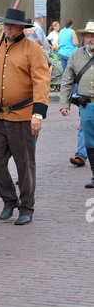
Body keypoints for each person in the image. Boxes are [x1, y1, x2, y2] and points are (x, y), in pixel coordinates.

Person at [0, 8, 50, 225]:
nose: (8, 28)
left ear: (22, 27)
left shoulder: (33, 49)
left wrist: (37, 114)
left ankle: (26, 207)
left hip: (23, 115)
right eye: (6, 24)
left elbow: (41, 81)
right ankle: (9, 199)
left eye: (12, 25)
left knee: (25, 164)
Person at [59, 21, 94, 188]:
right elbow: (67, 80)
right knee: (89, 141)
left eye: (92, 36)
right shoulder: (76, 55)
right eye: (87, 36)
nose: (89, 39)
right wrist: (64, 103)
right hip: (86, 104)